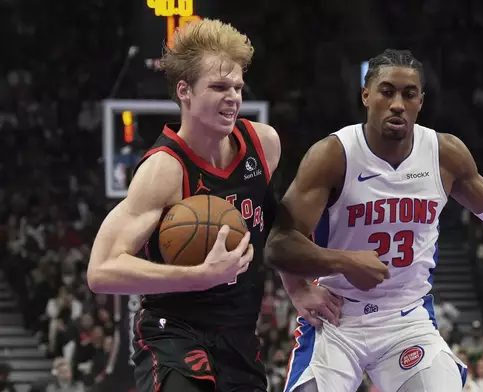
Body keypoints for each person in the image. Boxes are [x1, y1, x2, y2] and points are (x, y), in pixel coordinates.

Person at [264, 49, 483, 392]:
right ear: (366, 95)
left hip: (406, 319)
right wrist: (336, 266)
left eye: (409, 94)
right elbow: (279, 243)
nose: (398, 103)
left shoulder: (445, 154)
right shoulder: (334, 154)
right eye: (387, 91)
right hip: (337, 318)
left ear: (420, 102)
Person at [87, 19, 337, 392]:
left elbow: (271, 227)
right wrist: (199, 276)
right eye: (219, 86)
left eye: (237, 86)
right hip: (172, 331)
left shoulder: (264, 143)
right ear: (184, 91)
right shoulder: (164, 169)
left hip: (239, 334)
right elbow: (101, 270)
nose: (233, 96)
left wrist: (298, 289)